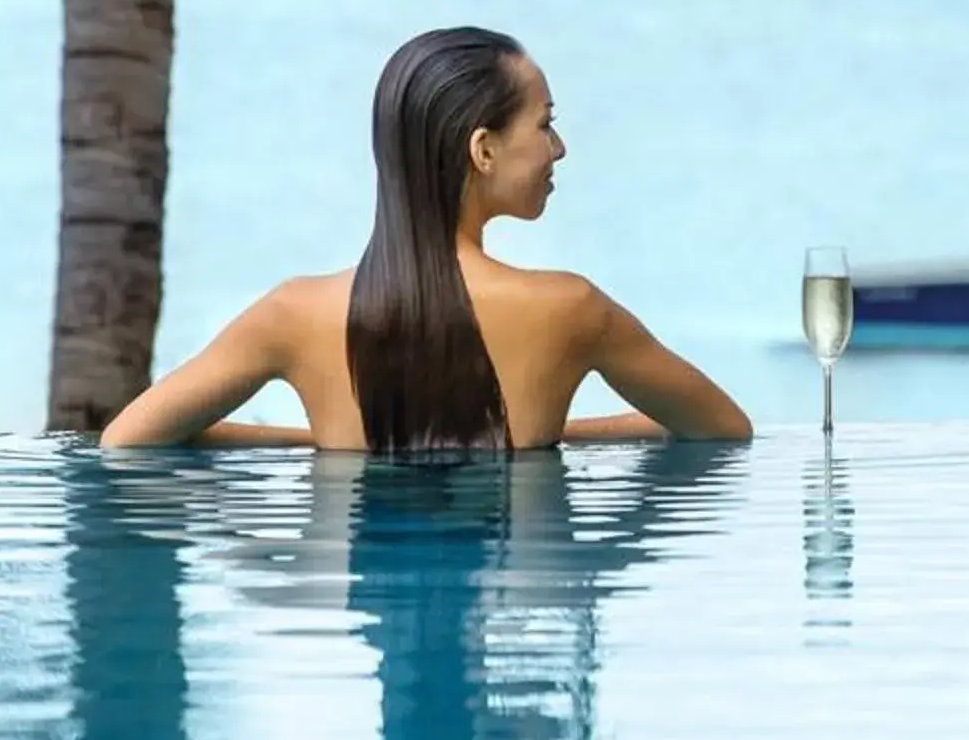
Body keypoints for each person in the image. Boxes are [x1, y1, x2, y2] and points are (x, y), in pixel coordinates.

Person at [99, 27, 753, 452]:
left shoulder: (294, 315)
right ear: (484, 149)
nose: (559, 148)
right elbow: (722, 429)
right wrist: (539, 437)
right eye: (545, 124)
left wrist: (322, 443)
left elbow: (129, 441)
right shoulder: (570, 311)